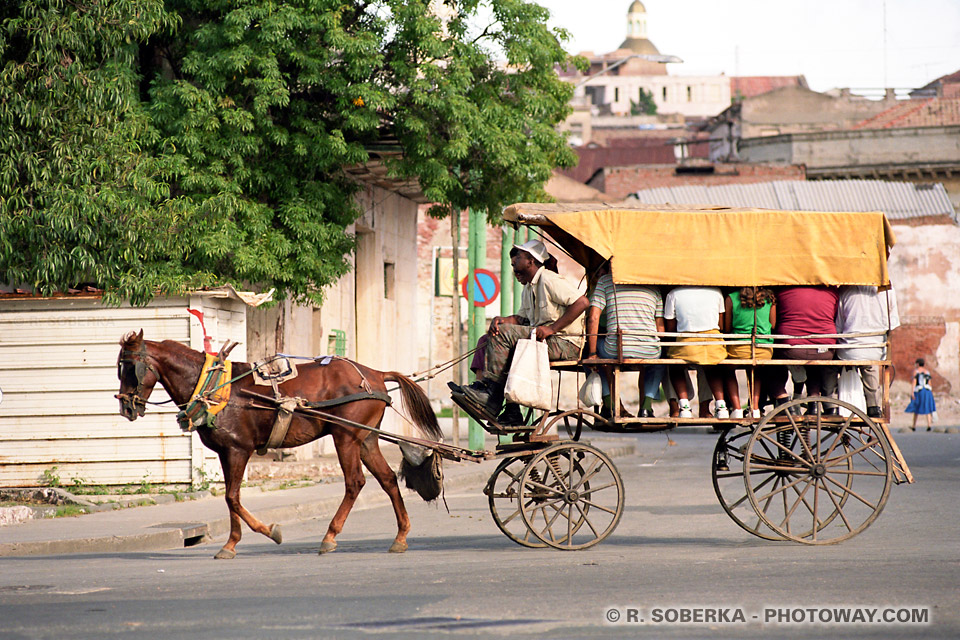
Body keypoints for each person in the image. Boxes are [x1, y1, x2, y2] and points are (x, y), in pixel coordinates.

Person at [460, 239, 589, 422]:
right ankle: (499, 401)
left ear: (531, 260)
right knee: (489, 337)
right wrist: (502, 320)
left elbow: (582, 303)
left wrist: (552, 328)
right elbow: (522, 319)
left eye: (517, 262)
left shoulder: (548, 279)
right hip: (544, 340)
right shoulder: (529, 288)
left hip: (565, 343)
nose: (513, 267)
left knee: (505, 334)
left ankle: (491, 396)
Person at [585, 270, 664, 419]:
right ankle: (646, 408)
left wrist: (592, 353)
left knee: (591, 356)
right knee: (658, 361)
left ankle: (609, 403)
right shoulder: (653, 286)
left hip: (614, 348)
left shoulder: (605, 281)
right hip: (649, 350)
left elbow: (593, 318)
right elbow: (660, 328)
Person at [767, 285, 839, 414]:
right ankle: (813, 399)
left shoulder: (782, 289)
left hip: (791, 348)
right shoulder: (831, 290)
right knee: (815, 363)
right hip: (825, 349)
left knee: (770, 360)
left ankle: (782, 399)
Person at [663, 286, 728, 419]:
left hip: (687, 345)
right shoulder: (716, 292)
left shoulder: (673, 294)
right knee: (712, 366)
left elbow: (670, 329)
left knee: (674, 365)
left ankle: (684, 406)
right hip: (713, 344)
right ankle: (720, 405)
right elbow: (720, 325)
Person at [835, 285, 900, 419]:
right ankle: (873, 406)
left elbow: (838, 326)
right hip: (875, 349)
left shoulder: (845, 290)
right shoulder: (888, 290)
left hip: (849, 350)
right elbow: (891, 325)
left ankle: (830, 404)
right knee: (871, 364)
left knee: (831, 362)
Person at [722, 287, 776, 419]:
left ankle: (736, 408)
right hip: (763, 349)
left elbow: (727, 327)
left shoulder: (731, 298)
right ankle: (755, 408)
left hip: (739, 348)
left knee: (727, 369)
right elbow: (773, 325)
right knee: (756, 370)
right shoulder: (769, 298)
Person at [906, 358, 936, 431]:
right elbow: (930, 383)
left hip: (919, 391)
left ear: (918, 364)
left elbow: (914, 382)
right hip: (927, 391)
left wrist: (912, 392)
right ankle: (929, 425)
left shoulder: (916, 372)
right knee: (927, 407)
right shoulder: (927, 372)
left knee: (916, 407)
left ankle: (914, 426)